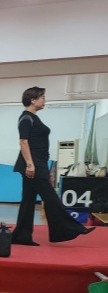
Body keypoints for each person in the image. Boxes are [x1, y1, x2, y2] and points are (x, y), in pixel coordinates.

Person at [11, 87, 94, 245]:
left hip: (38, 163)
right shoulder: (26, 118)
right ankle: (70, 228)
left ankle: (21, 236)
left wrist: (44, 169)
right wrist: (30, 165)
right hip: (33, 164)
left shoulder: (33, 118)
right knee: (50, 198)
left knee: (28, 200)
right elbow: (23, 142)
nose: (45, 100)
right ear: (32, 100)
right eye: (42, 97)